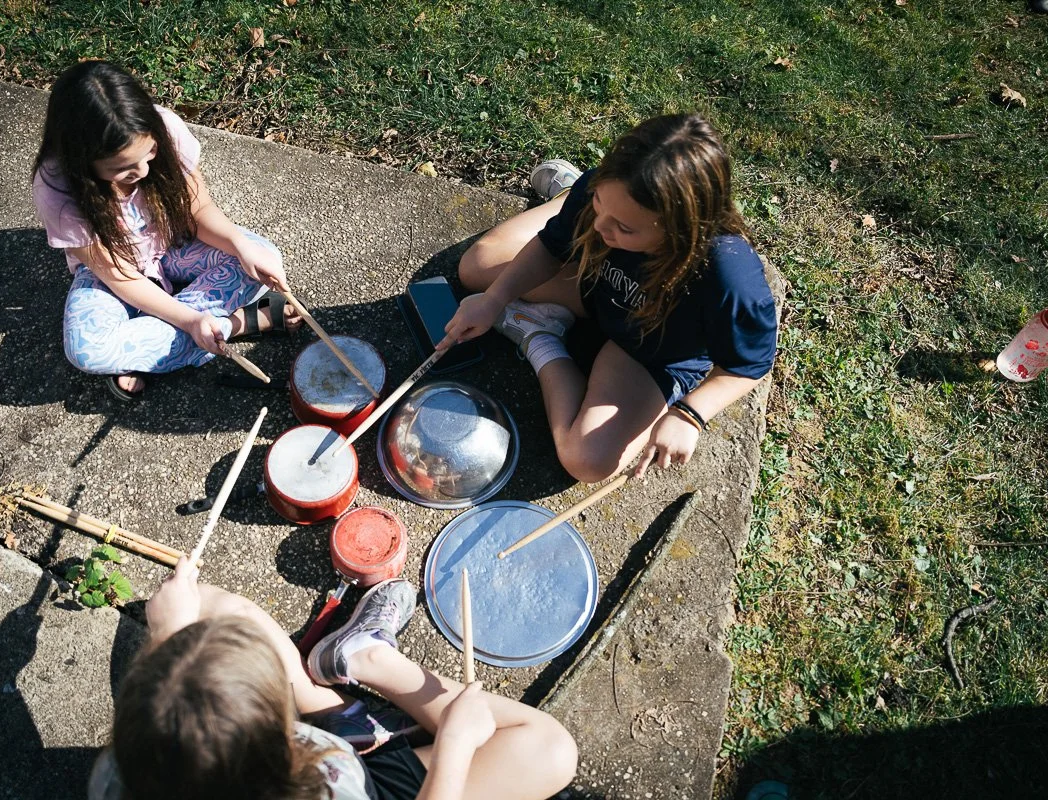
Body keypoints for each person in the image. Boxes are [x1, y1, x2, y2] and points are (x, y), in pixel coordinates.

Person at [441, 114, 777, 481]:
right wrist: (495, 298)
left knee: (587, 459)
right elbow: (553, 249)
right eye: (600, 203)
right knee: (477, 267)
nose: (601, 228)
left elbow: (749, 365)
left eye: (624, 225)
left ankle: (539, 335)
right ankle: (570, 196)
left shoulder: (729, 275)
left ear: (683, 230)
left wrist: (689, 415)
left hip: (650, 349)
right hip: (596, 284)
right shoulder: (602, 208)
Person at [88, 558, 577, 800]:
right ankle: (368, 660)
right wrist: (454, 742)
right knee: (550, 748)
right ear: (282, 750)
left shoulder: (118, 781)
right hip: (365, 787)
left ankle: (332, 697)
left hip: (316, 761)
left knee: (208, 607)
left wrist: (172, 631)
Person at [31, 61, 301, 401]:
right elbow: (119, 277)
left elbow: (199, 210)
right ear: (82, 161)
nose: (143, 170)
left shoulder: (165, 127)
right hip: (114, 274)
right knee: (87, 351)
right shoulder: (57, 187)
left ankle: (163, 342)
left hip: (173, 245)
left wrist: (239, 246)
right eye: (122, 168)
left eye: (150, 154)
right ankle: (241, 324)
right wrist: (190, 321)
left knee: (263, 254)